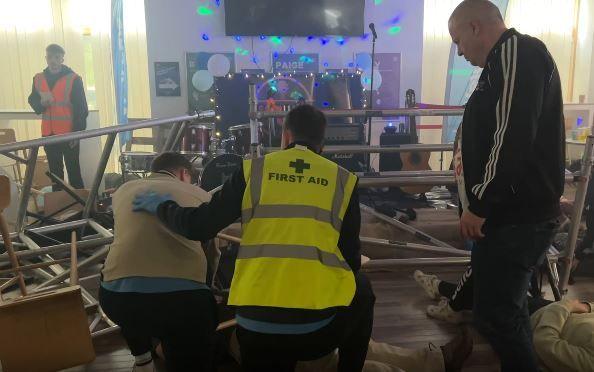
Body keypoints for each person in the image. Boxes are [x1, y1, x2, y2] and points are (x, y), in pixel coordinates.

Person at [133, 104, 375, 372]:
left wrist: (162, 206)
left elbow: (198, 226)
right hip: (316, 332)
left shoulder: (253, 171)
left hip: (256, 328)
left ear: (285, 135)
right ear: (323, 142)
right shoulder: (343, 180)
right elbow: (351, 259)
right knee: (362, 289)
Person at [448, 1, 565, 371]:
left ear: (476, 27)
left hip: (516, 216)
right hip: (507, 215)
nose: (459, 51)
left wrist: (480, 203)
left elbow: (512, 135)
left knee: (497, 315)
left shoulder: (518, 51)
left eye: (458, 40)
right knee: (496, 312)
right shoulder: (499, 64)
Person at [99, 152, 219, 372]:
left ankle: (142, 357)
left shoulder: (123, 191)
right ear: (184, 173)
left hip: (116, 299)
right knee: (197, 316)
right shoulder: (200, 194)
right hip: (180, 303)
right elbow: (211, 250)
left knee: (129, 287)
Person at [415, 271, 594, 372]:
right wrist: (587, 306)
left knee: (492, 285)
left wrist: (565, 306)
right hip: (555, 311)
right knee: (498, 285)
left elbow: (545, 343)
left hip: (537, 320)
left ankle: (439, 288)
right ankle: (444, 293)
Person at [28, 44, 88, 191]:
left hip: (69, 134)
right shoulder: (38, 78)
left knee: (74, 172)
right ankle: (60, 209)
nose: (53, 61)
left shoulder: (74, 79)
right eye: (49, 57)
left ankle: (82, 208)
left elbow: (82, 109)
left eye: (56, 57)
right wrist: (41, 104)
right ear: (46, 58)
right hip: (49, 135)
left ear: (62, 58)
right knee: (55, 175)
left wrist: (77, 133)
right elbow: (32, 100)